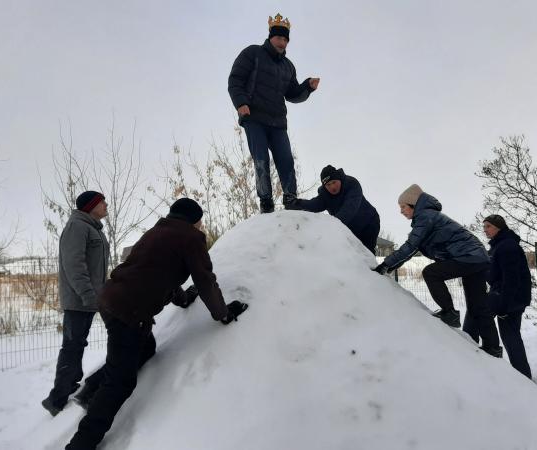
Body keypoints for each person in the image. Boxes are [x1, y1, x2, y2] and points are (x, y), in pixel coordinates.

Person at [65, 198, 248, 450]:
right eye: (200, 221)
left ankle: (91, 388)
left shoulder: (158, 231)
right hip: (130, 311)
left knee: (145, 348)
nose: (200, 225)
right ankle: (81, 442)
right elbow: (205, 279)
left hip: (111, 299)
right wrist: (223, 313)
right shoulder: (191, 238)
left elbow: (159, 273)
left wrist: (185, 299)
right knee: (121, 382)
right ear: (194, 221)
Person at [373, 185, 502, 357]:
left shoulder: (425, 216)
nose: (401, 211)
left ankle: (449, 313)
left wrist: (385, 265)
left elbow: (411, 246)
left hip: (468, 257)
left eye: (403, 206)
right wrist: (390, 266)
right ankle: (492, 347)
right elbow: (413, 249)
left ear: (412, 204)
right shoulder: (429, 216)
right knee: (477, 306)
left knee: (431, 273)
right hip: (476, 258)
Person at [228, 13, 320, 213]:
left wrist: (308, 87)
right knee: (261, 159)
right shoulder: (252, 53)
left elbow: (293, 94)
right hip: (254, 117)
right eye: (279, 38)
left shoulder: (288, 67)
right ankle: (266, 201)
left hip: (278, 122)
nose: (282, 42)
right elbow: (235, 80)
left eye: (286, 39)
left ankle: (290, 198)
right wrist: (241, 103)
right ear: (271, 37)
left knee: (286, 160)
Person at [42, 191, 109, 417]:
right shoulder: (77, 227)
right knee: (72, 345)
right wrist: (88, 295)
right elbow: (74, 266)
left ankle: (70, 384)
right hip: (79, 300)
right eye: (102, 202)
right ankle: (57, 398)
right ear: (91, 206)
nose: (106, 205)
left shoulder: (91, 228)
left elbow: (95, 267)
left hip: (89, 298)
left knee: (77, 343)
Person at [483, 215, 532, 379]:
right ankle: (522, 376)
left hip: (511, 299)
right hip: (507, 297)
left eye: (488, 226)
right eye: (484, 227)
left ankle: (523, 378)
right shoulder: (499, 245)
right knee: (511, 338)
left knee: (511, 338)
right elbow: (496, 275)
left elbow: (512, 279)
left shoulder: (506, 247)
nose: (485, 230)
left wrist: (504, 306)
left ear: (499, 227)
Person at [291, 165, 380, 253]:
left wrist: (331, 226)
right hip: (350, 229)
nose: (332, 187)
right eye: (328, 185)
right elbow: (314, 205)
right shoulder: (325, 195)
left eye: (334, 182)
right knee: (352, 257)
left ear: (339, 179)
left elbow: (349, 209)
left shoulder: (352, 184)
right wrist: (297, 203)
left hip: (369, 223)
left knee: (366, 255)